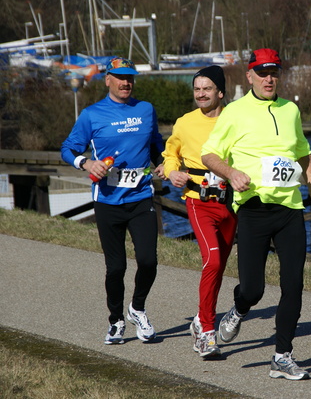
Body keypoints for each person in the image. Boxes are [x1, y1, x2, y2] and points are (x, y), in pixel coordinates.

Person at [200, 48, 311, 380]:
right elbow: (209, 154)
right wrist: (231, 174)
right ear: (250, 76)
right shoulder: (234, 112)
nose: (269, 78)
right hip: (253, 209)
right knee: (253, 289)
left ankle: (282, 355)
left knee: (294, 284)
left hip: (288, 208)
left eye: (274, 72)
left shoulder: (291, 110)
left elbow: (302, 153)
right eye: (263, 72)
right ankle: (238, 309)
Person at [61, 56, 165, 345]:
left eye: (130, 77)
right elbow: (68, 149)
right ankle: (116, 321)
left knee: (148, 260)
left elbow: (157, 144)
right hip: (107, 201)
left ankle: (138, 309)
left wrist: (165, 162)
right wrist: (86, 163)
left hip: (141, 196)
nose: (126, 82)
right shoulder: (92, 115)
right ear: (107, 79)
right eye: (119, 77)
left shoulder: (146, 110)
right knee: (116, 267)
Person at [158, 65, 237, 359]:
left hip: (232, 203)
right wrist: (172, 171)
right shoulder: (185, 122)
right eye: (196, 89)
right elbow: (170, 154)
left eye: (206, 89)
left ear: (220, 91)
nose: (201, 94)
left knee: (217, 269)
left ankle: (200, 318)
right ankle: (206, 332)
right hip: (198, 199)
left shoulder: (236, 118)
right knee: (213, 261)